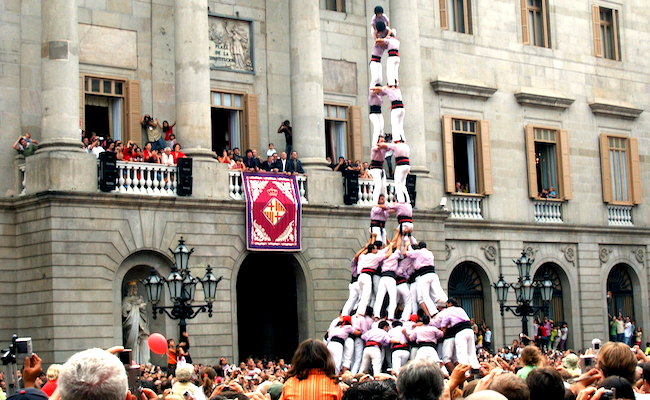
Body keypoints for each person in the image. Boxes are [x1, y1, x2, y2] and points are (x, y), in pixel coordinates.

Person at [122, 281, 150, 365]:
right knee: (133, 343)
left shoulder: (140, 298)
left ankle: (145, 362)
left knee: (145, 339)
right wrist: (135, 305)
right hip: (132, 322)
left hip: (141, 323)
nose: (136, 289)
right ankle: (134, 362)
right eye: (134, 287)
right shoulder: (126, 299)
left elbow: (144, 311)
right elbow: (124, 313)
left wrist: (141, 307)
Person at [379, 138, 409, 203]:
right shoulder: (406, 146)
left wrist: (379, 144)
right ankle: (408, 200)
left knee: (397, 183)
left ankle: (401, 200)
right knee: (403, 184)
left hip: (400, 165)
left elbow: (386, 146)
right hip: (407, 165)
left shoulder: (396, 146)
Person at [369, 136, 388, 205]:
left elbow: (390, 147)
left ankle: (384, 202)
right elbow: (378, 147)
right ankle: (375, 203)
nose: (383, 143)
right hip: (375, 168)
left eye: (384, 141)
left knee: (384, 187)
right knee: (378, 186)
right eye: (381, 141)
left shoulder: (384, 149)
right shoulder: (374, 148)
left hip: (381, 168)